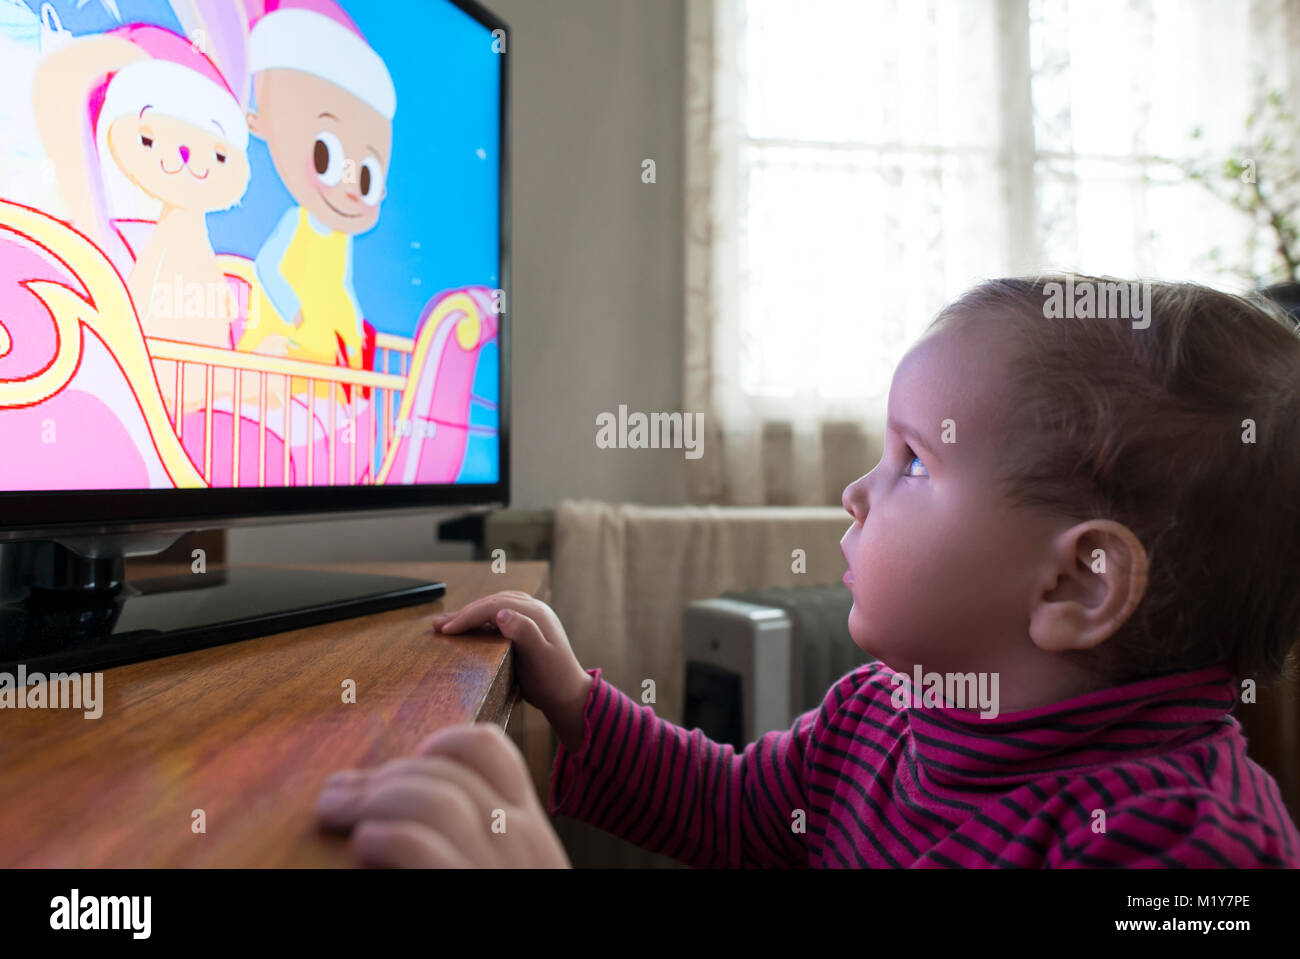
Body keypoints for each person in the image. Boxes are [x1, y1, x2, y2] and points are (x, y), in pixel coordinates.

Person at [316, 275, 1300, 868]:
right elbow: (734, 809)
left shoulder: (1180, 841)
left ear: (1077, 584)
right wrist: (575, 700)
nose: (854, 491)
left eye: (913, 459)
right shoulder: (877, 711)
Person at [237, 0, 394, 403]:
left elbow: (341, 285)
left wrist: (356, 326)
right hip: (288, 333)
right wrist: (294, 312)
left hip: (319, 344)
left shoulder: (341, 237)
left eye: (367, 177)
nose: (350, 188)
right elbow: (267, 265)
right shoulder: (298, 222)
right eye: (326, 156)